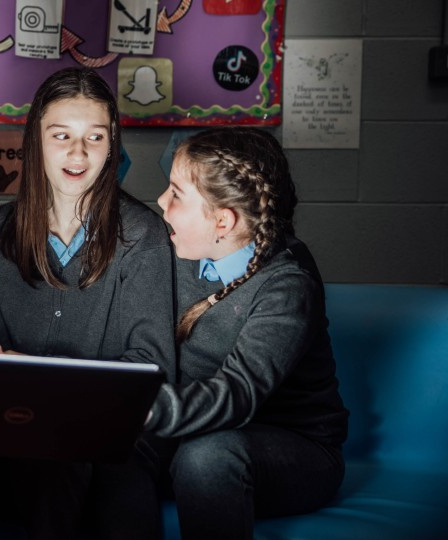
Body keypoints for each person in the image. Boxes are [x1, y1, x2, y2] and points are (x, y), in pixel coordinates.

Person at [0, 67, 176, 539]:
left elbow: (151, 363)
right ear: (35, 140)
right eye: (61, 135)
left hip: (119, 433)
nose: (78, 153)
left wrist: (73, 409)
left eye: (94, 137)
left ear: (112, 143)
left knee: (116, 489)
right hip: (18, 429)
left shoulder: (142, 235)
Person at [149, 127, 349, 539]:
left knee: (206, 456)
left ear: (223, 220)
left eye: (176, 193)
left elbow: (238, 394)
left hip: (292, 450)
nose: (161, 202)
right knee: (106, 449)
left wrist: (141, 405)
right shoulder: (185, 250)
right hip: (195, 429)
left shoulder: (287, 285)